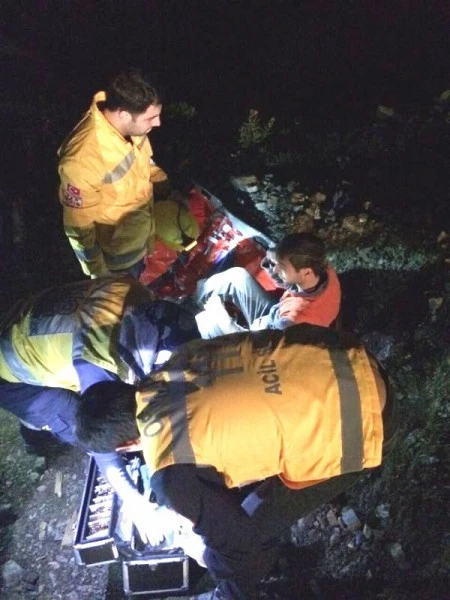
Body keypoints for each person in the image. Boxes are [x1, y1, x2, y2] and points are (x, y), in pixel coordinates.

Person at [75, 324, 397, 600]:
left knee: (246, 537)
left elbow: (242, 546)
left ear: (125, 446)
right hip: (348, 354)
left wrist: (205, 552)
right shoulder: (180, 359)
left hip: (368, 415)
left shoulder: (170, 470)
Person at [0, 275, 199, 544]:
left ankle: (34, 426)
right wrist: (135, 502)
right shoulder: (96, 365)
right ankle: (36, 438)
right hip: (11, 369)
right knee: (72, 422)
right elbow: (98, 438)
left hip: (26, 321)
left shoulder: (134, 295)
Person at [58, 68, 170, 279]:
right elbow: (79, 228)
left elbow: (144, 161)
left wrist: (164, 184)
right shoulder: (84, 158)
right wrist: (99, 274)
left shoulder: (133, 127)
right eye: (151, 118)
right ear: (124, 114)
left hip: (142, 237)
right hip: (118, 261)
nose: (158, 123)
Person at [194, 232, 341, 338]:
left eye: (282, 267)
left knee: (208, 322)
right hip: (273, 315)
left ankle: (196, 315)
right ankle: (197, 299)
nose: (276, 269)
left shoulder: (294, 321)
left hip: (264, 336)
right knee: (236, 276)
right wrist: (274, 260)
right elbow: (289, 283)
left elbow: (257, 348)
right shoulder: (321, 268)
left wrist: (225, 322)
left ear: (306, 273)